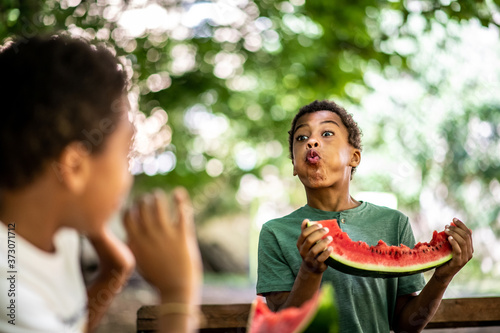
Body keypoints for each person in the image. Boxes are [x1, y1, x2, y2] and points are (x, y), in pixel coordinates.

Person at [0, 35, 201, 333]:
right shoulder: (10, 292)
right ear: (74, 166)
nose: (128, 177)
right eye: (126, 153)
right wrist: (178, 295)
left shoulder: (57, 232)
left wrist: (114, 270)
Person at [257, 100, 474, 332]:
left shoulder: (394, 223)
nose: (311, 141)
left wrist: (442, 277)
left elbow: (406, 326)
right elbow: (283, 327)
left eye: (327, 132)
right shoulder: (275, 233)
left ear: (354, 157)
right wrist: (309, 272)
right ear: (294, 164)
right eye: (301, 138)